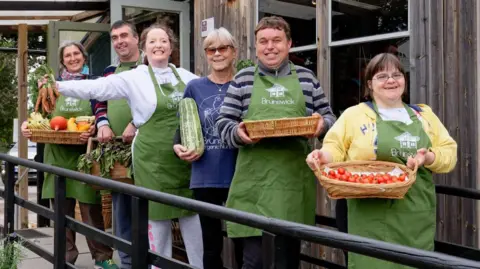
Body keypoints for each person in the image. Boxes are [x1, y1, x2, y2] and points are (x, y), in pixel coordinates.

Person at [41, 23, 204, 269]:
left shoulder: (188, 77)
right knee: (157, 220)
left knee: (192, 218)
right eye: (153, 41)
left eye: (163, 41)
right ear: (145, 47)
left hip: (184, 160)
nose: (158, 46)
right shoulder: (135, 77)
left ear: (171, 46)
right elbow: (96, 88)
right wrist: (59, 85)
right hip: (152, 161)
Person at [305, 53, 457, 269]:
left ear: (404, 80)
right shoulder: (354, 115)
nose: (391, 80)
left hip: (413, 213)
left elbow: (449, 153)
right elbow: (335, 147)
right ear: (370, 84)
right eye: (382, 76)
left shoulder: (424, 115)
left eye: (397, 74)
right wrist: (323, 156)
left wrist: (428, 157)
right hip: (365, 213)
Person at [216, 16, 336, 269]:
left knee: (286, 262)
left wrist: (320, 125)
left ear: (289, 43)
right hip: (253, 186)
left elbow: (329, 119)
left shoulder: (307, 78)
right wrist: (239, 133)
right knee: (254, 262)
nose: (270, 47)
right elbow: (223, 123)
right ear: (256, 47)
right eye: (263, 42)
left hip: (291, 186)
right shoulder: (243, 79)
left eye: (276, 41)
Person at [22, 41, 118, 269]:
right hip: (57, 157)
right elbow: (40, 115)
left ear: (84, 58)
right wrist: (28, 125)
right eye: (68, 55)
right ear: (62, 60)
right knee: (62, 212)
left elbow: (102, 113)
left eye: (77, 54)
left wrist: (94, 129)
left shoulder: (96, 84)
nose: (73, 58)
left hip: (85, 157)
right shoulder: (51, 86)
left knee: (91, 210)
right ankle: (66, 257)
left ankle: (102, 258)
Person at [173, 27, 243, 269]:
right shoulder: (194, 88)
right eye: (211, 49)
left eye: (223, 48)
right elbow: (180, 130)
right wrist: (179, 148)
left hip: (240, 174)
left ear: (233, 52)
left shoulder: (244, 85)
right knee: (211, 244)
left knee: (243, 241)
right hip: (206, 175)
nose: (217, 53)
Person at [91, 20, 142, 269]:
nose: (120, 41)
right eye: (114, 37)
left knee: (146, 210)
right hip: (117, 151)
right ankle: (127, 263)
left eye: (124, 35)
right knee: (121, 212)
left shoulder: (150, 67)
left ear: (136, 39)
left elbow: (159, 103)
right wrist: (102, 123)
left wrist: (136, 122)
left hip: (145, 150)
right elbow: (100, 99)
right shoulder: (110, 70)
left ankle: (150, 260)